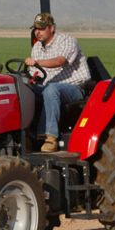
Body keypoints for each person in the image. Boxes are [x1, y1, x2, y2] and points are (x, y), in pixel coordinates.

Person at [25, 12, 90, 152]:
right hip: (48, 86)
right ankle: (25, 136)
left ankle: (50, 138)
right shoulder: (37, 48)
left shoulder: (67, 41)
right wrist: (29, 80)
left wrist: (37, 62)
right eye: (36, 29)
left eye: (41, 28)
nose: (38, 32)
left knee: (51, 89)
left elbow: (60, 61)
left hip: (74, 87)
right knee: (23, 89)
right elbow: (35, 74)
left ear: (52, 28)